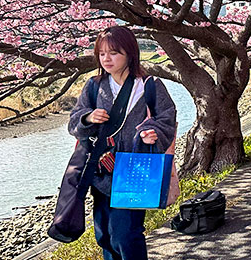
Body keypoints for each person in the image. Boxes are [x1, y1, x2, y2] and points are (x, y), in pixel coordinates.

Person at [68, 26, 177, 260]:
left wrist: (152, 131)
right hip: (102, 172)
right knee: (104, 236)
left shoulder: (149, 85)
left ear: (130, 53)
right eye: (102, 53)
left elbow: (167, 117)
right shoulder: (94, 86)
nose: (107, 59)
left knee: (125, 234)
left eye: (114, 53)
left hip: (134, 172)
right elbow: (74, 122)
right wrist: (88, 118)